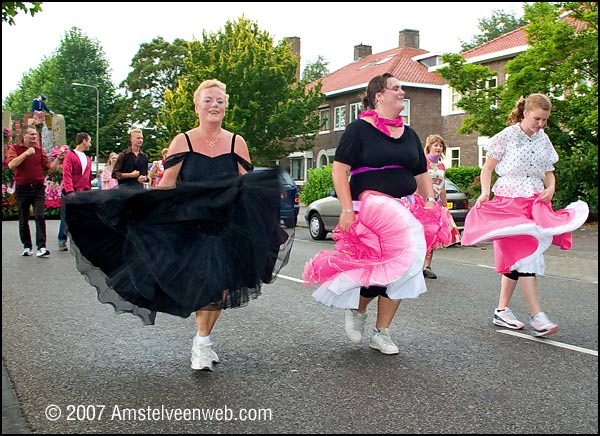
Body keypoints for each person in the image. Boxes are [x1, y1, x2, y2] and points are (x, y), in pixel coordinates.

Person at [64, 79, 293, 371]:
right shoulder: (182, 141)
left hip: (226, 225)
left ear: (225, 107)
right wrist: (147, 212)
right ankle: (202, 343)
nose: (214, 105)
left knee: (221, 290)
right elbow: (168, 184)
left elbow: (245, 185)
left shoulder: (237, 142)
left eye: (220, 101)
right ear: (197, 106)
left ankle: (204, 339)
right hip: (192, 225)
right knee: (207, 286)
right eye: (208, 100)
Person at [303, 73, 448, 355]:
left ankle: (382, 332)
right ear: (379, 95)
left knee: (400, 268)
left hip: (404, 207)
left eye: (402, 89)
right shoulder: (359, 129)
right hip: (370, 209)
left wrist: (430, 200)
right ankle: (358, 310)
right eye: (396, 89)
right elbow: (339, 170)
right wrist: (346, 209)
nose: (402, 93)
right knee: (389, 263)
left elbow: (420, 171)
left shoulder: (409, 133)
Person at [460, 93, 589, 337]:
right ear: (526, 113)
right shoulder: (507, 136)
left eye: (545, 120)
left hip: (534, 203)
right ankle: (538, 316)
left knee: (519, 258)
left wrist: (551, 187)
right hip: (509, 202)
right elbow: (487, 169)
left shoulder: (544, 139)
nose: (541, 124)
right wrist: (485, 193)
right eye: (537, 118)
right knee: (525, 257)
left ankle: (502, 310)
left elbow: (548, 171)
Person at [6, 125, 60, 257]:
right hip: (22, 188)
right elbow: (11, 164)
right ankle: (27, 246)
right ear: (24, 136)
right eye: (31, 134)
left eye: (35, 134)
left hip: (37, 188)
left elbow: (49, 169)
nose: (34, 137)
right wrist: (26, 153)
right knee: (23, 218)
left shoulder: (39, 151)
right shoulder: (15, 149)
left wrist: (58, 158)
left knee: (40, 216)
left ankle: (41, 247)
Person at [422, 134, 461, 279]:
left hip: (436, 203)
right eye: (435, 145)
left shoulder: (442, 165)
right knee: (422, 234)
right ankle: (415, 266)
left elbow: (442, 186)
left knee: (434, 234)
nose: (438, 148)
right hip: (424, 203)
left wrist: (445, 204)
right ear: (429, 147)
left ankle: (427, 266)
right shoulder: (423, 162)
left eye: (440, 146)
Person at [57, 133, 93, 251]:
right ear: (84, 141)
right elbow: (66, 173)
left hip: (83, 192)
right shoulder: (70, 156)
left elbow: (87, 177)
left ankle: (80, 241)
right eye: (89, 141)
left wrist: (88, 190)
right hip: (72, 191)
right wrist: (69, 191)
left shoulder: (87, 158)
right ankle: (62, 239)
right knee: (67, 216)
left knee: (83, 217)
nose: (90, 144)